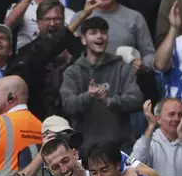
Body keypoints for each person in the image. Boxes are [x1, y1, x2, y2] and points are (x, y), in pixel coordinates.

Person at [60, 16, 143, 151]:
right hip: (86, 150)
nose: (100, 36)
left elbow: (137, 99)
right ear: (83, 39)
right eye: (93, 33)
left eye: (103, 32)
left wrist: (109, 102)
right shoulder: (73, 72)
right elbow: (68, 105)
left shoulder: (122, 68)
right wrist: (88, 96)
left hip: (121, 148)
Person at [131, 98, 182, 176]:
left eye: (180, 115)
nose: (176, 119)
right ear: (158, 119)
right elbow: (133, 167)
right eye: (171, 114)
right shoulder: (148, 143)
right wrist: (151, 126)